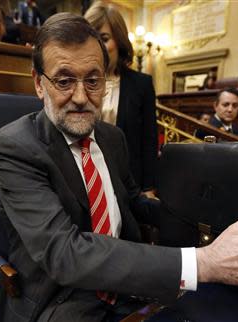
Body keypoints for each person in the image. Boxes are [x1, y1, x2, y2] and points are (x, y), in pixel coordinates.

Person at [0, 13, 238, 322]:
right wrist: (203, 263)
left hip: (132, 286)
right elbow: (65, 254)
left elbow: (134, 203)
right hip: (62, 301)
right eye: (63, 81)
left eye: (93, 80)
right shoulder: (12, 147)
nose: (80, 96)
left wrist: (210, 224)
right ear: (38, 83)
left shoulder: (112, 137)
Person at [85, 1, 158, 198]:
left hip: (128, 182)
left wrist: (148, 187)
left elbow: (149, 140)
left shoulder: (141, 84)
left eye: (104, 38)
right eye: (91, 39)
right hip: (85, 178)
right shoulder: (77, 82)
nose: (98, 47)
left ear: (119, 40)